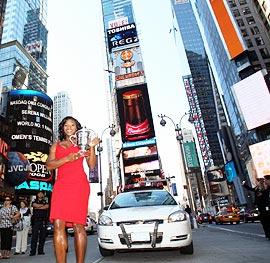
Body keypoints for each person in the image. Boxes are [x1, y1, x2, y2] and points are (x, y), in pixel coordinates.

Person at [46, 116, 100, 263]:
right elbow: (49, 165)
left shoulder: (83, 144)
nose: (69, 127)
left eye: (72, 125)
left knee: (78, 225)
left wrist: (92, 146)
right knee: (58, 224)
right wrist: (67, 158)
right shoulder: (55, 146)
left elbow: (92, 166)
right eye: (66, 125)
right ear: (62, 128)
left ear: (77, 128)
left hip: (79, 186)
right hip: (61, 186)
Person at [29, 191, 49, 256]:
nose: (40, 194)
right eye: (39, 193)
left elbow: (47, 206)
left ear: (43, 195)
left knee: (42, 237)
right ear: (37, 194)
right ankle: (33, 251)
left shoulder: (45, 201)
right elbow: (34, 205)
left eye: (41, 193)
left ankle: (40, 251)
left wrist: (38, 207)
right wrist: (41, 206)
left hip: (43, 221)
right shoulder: (34, 201)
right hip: (36, 221)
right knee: (34, 236)